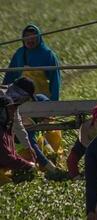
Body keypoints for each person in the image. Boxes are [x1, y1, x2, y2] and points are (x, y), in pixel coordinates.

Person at [4, 25, 63, 163]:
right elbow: (10, 75)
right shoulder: (20, 54)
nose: (30, 40)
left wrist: (53, 103)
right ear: (23, 39)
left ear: (39, 38)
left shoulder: (48, 54)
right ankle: (33, 157)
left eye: (33, 37)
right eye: (27, 37)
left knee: (50, 129)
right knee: (26, 131)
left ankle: (55, 156)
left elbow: (55, 80)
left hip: (41, 100)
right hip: (22, 101)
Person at [4, 78, 61, 174]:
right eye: (25, 98)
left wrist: (28, 148)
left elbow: (18, 125)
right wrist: (49, 166)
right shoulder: (5, 98)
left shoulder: (13, 102)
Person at [0, 90, 38, 178]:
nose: (13, 114)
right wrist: (28, 166)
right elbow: (7, 158)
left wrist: (27, 163)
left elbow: (11, 153)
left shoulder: (6, 129)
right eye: (10, 111)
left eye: (14, 111)